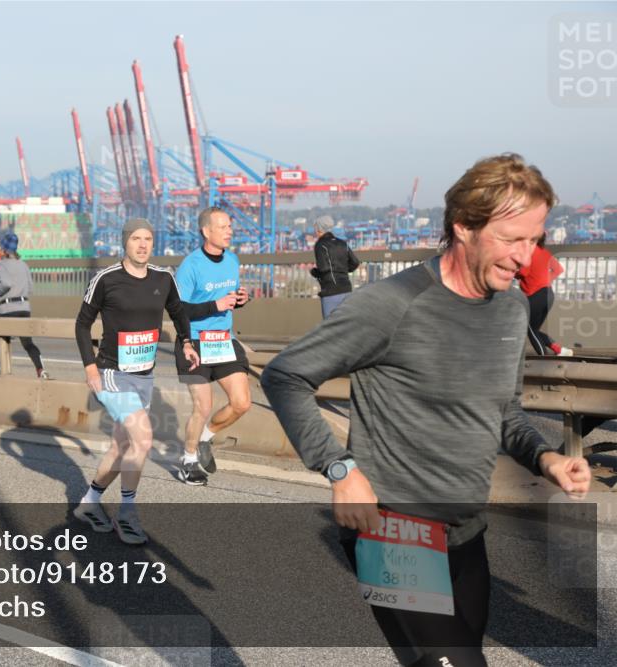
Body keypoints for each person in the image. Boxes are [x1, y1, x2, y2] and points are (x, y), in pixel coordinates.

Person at [261, 153, 592, 667]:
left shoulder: (511, 307)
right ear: (463, 226)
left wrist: (545, 459)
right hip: (394, 534)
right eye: (511, 240)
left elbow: (504, 411)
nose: (527, 259)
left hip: (467, 533)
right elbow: (285, 375)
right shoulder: (390, 306)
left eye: (535, 241)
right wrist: (340, 469)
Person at [73, 218, 199, 544]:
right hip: (113, 374)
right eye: (136, 239)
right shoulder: (106, 279)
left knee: (121, 445)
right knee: (143, 439)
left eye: (148, 239)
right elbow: (82, 325)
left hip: (145, 374)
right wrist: (90, 369)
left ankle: (88, 503)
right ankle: (127, 512)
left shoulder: (163, 277)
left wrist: (187, 341)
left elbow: (178, 311)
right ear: (125, 243)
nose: (142, 245)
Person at [173, 206, 252, 485]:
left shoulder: (232, 260)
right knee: (203, 405)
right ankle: (188, 458)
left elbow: (230, 297)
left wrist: (241, 299)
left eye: (230, 226)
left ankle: (205, 437)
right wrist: (214, 305)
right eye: (223, 227)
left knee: (242, 403)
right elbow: (177, 309)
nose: (229, 231)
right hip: (193, 342)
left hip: (223, 341)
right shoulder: (191, 265)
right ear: (207, 231)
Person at [0, 233, 48, 379]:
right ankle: (40, 369)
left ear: (3, 249)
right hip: (24, 308)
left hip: (7, 308)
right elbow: (30, 287)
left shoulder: (0, 265)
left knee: (2, 341)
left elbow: (6, 283)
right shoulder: (24, 264)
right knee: (28, 343)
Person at [517, 237, 573, 356]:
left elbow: (524, 272)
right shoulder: (545, 252)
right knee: (534, 329)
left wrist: (512, 271)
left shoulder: (530, 252)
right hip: (548, 293)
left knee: (529, 328)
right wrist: (546, 280)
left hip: (535, 294)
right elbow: (558, 269)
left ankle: (543, 357)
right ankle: (559, 350)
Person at [309, 215, 360, 318]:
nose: (315, 232)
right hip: (346, 288)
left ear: (319, 229)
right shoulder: (342, 243)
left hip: (330, 290)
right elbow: (355, 262)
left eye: (316, 229)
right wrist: (344, 270)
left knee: (329, 325)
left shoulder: (320, 245)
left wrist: (315, 272)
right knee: (344, 324)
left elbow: (323, 268)